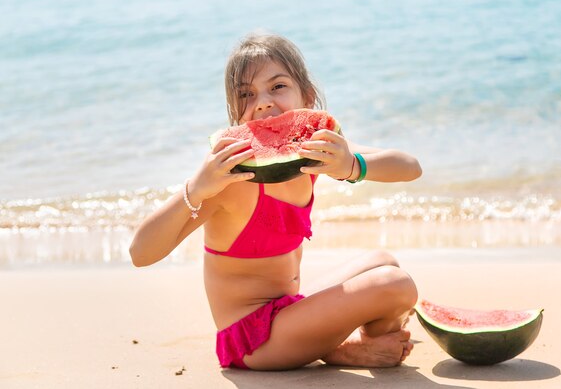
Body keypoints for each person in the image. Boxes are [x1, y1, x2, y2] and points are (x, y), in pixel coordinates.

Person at [129, 33, 422, 370]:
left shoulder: (314, 148)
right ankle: (352, 347)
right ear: (234, 112)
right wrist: (196, 189)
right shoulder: (231, 179)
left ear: (308, 97)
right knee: (395, 285)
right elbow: (140, 253)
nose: (264, 102)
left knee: (384, 260)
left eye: (278, 86)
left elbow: (410, 167)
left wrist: (351, 165)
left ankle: (344, 347)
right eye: (246, 94)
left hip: (289, 311)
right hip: (253, 341)